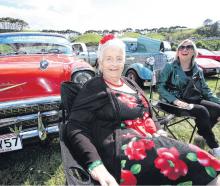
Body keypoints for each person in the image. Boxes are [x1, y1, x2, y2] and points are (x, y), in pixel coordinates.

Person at [66, 35, 220, 185]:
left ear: (124, 60)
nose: (114, 64)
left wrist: (158, 129)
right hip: (124, 151)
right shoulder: (94, 87)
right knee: (199, 159)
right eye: (109, 58)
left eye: (119, 58)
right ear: (100, 61)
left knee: (196, 160)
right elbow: (74, 127)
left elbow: (148, 112)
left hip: (151, 140)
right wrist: (95, 165)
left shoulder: (129, 82)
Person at [157, 39, 220, 158]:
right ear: (178, 51)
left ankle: (202, 133)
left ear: (193, 52)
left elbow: (205, 90)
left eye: (188, 47)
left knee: (218, 109)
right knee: (201, 111)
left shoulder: (198, 69)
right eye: (182, 47)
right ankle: (214, 146)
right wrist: (174, 100)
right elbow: (160, 86)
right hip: (171, 102)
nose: (184, 49)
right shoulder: (170, 66)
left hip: (191, 98)